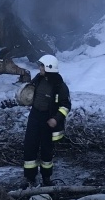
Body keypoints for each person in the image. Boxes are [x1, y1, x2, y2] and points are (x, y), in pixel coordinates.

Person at [21, 54, 71, 188]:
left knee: (46, 151)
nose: (39, 68)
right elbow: (30, 91)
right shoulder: (39, 78)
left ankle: (46, 178)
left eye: (42, 66)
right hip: (34, 116)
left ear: (49, 67)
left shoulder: (59, 86)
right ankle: (29, 178)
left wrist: (56, 119)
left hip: (48, 120)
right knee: (29, 147)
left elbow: (66, 106)